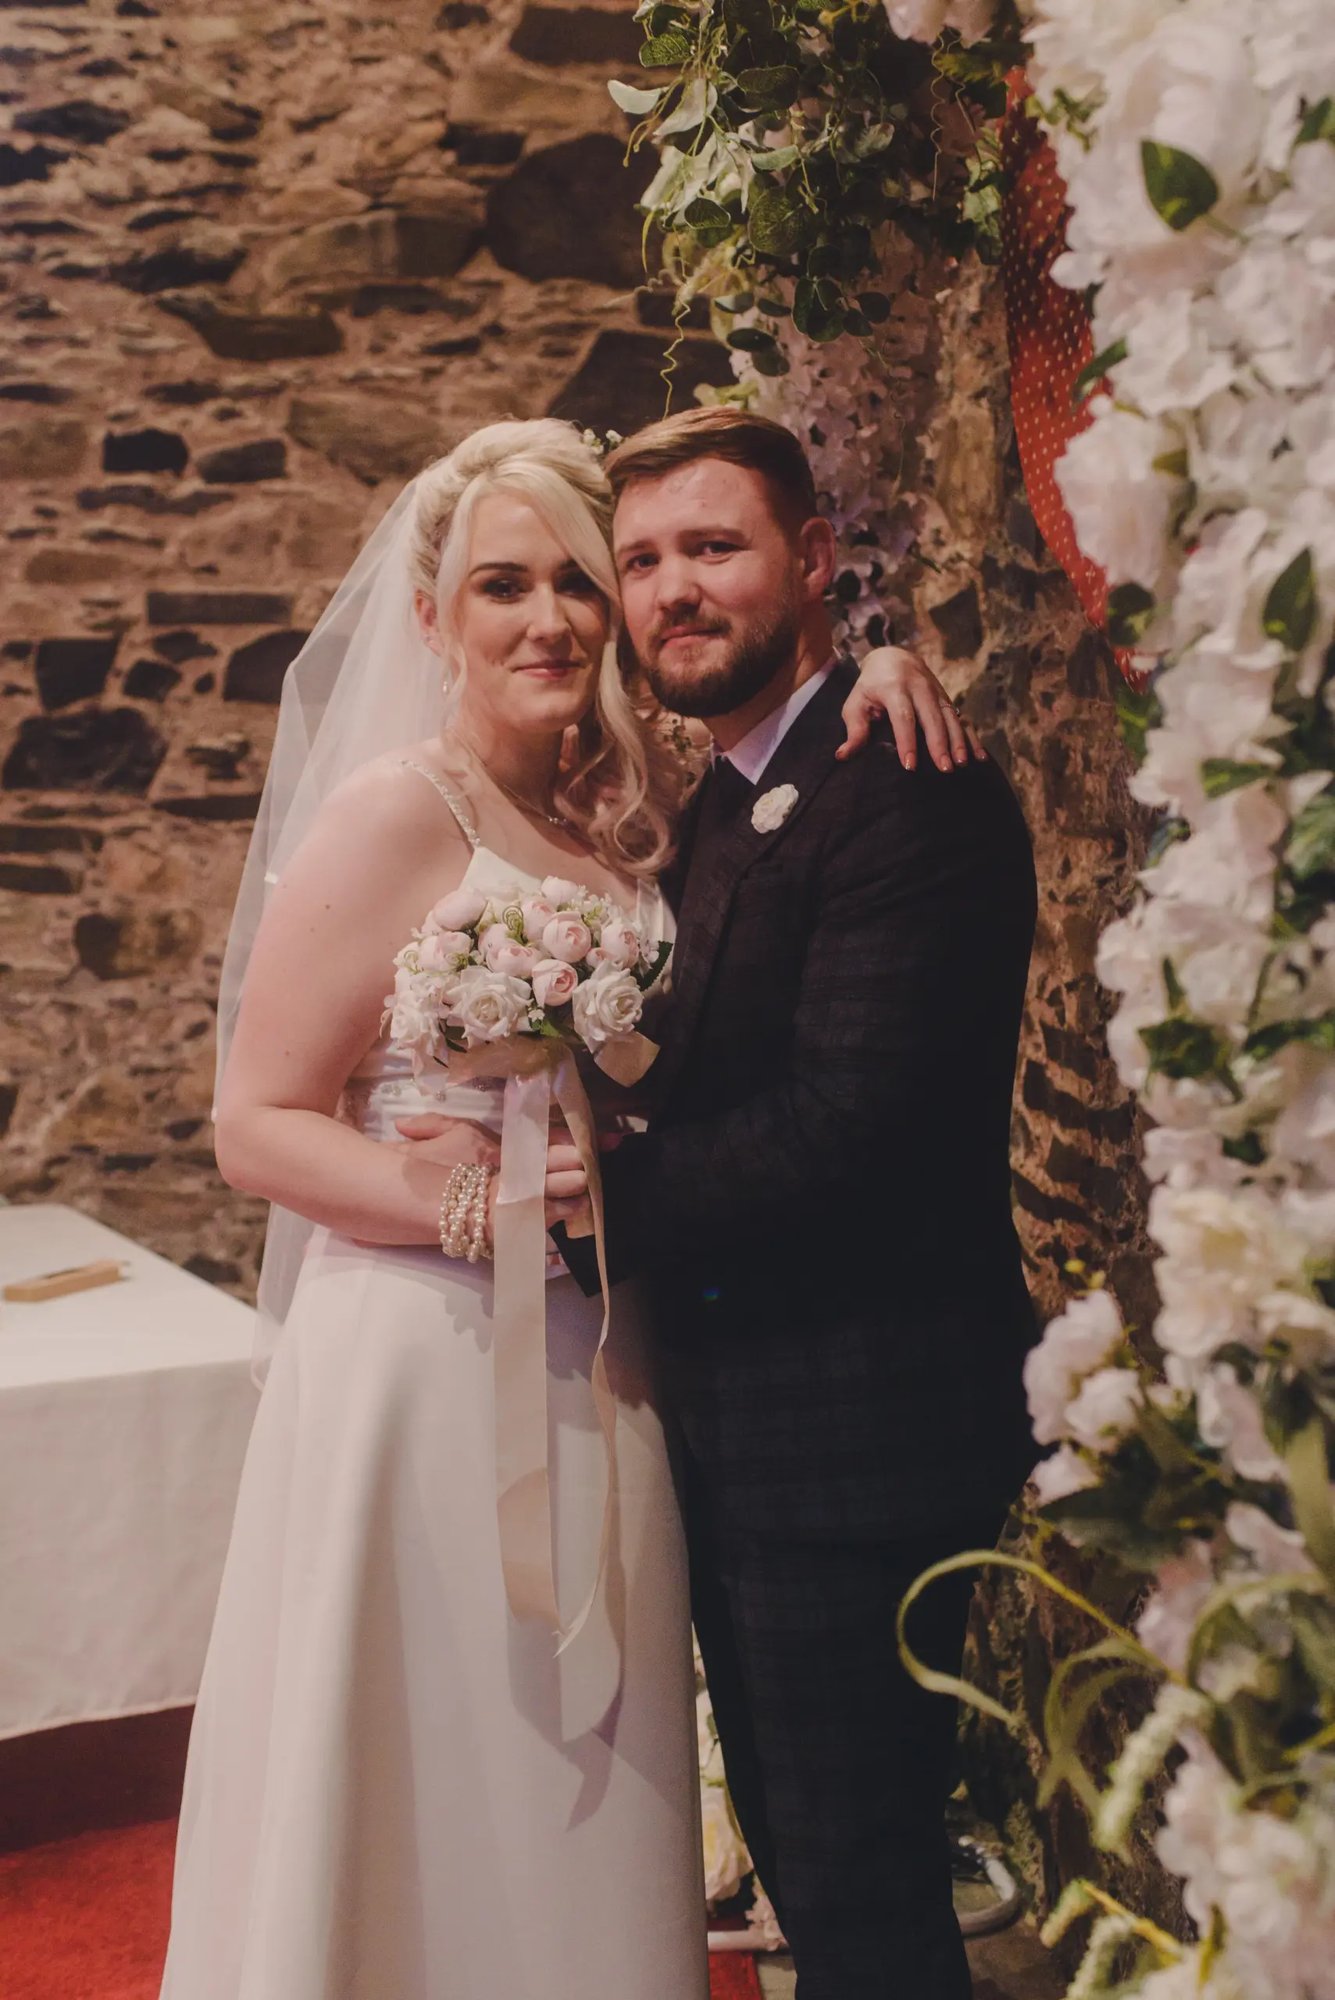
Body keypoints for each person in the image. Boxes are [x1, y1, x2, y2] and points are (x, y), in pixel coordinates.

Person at [160, 416, 970, 2000]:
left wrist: (880, 658)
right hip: (423, 1360)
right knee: (429, 1749)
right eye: (502, 587)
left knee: (578, 1769)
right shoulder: (400, 812)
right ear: (432, 621)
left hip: (608, 1360)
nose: (552, 619)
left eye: (580, 584)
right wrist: (474, 1206)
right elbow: (252, 1124)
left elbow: (775, 750)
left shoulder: (631, 807)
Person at [545, 407, 1040, 1998]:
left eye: (714, 549)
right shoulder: (714, 797)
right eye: (642, 562)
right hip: (750, 1425)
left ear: (815, 563)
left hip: (863, 1434)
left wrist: (596, 1197)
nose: (671, 591)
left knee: (862, 1885)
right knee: (811, 1883)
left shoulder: (903, 788)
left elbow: (852, 1128)